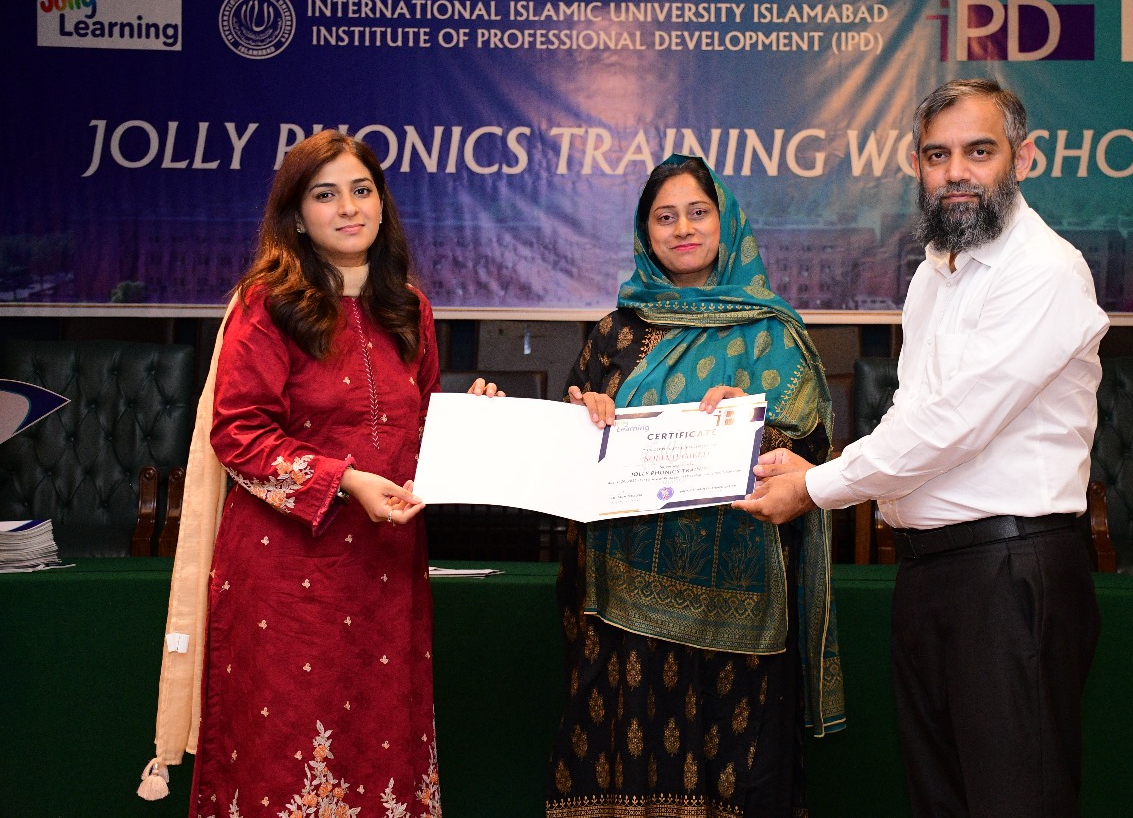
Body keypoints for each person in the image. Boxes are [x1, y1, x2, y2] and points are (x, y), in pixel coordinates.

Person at [736, 79, 1111, 817]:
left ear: (1023, 159)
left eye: (979, 151)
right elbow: (914, 414)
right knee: (941, 802)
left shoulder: (1045, 270)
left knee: (1015, 802)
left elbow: (953, 424)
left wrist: (815, 486)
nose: (956, 172)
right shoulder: (935, 273)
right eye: (938, 155)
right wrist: (816, 470)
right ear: (916, 165)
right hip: (931, 572)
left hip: (1011, 576)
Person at [139, 130, 501, 817]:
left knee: (381, 742)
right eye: (325, 194)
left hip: (385, 573)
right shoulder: (268, 304)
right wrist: (344, 481)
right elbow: (237, 434)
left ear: (382, 203)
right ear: (297, 216)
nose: (349, 208)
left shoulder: (409, 308)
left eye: (361, 190)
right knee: (283, 748)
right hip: (285, 576)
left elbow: (417, 429)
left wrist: (476, 420)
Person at [546, 154, 845, 818]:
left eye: (697, 212)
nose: (682, 228)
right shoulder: (615, 332)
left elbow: (813, 456)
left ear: (725, 221)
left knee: (733, 765)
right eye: (665, 217)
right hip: (622, 600)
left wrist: (754, 421)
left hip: (736, 596)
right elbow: (575, 448)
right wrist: (584, 414)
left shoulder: (772, 331)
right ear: (644, 233)